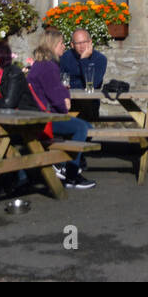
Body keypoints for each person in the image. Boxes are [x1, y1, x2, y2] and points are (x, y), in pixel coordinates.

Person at [26, 29, 96, 189]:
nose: (64, 46)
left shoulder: (39, 65)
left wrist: (63, 92)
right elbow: (62, 106)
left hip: (40, 114)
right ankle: (71, 175)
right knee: (81, 128)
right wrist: (65, 96)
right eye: (61, 43)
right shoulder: (49, 67)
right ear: (53, 45)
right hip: (46, 118)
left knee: (88, 128)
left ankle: (64, 164)